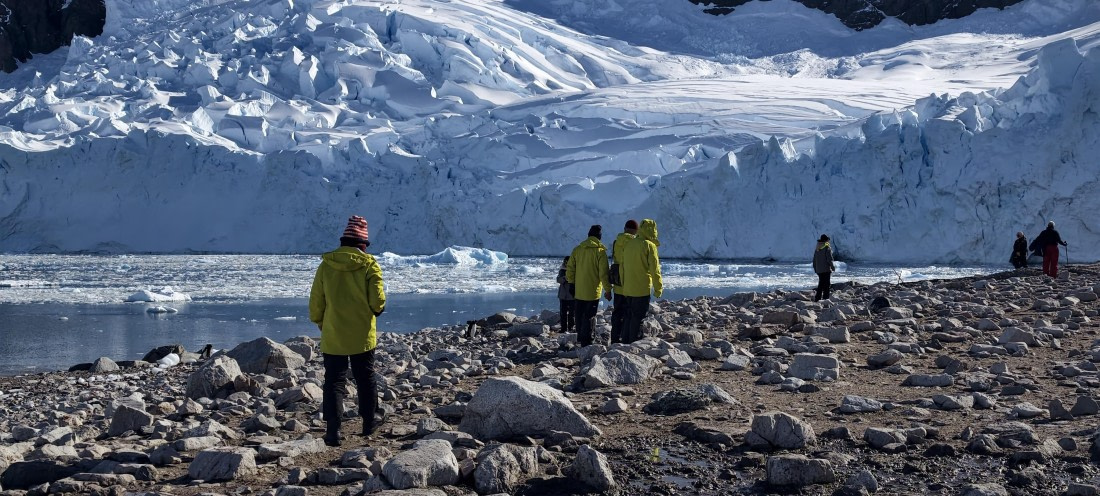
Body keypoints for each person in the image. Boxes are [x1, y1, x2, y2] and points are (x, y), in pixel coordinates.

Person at [309, 215, 387, 447]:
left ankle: (333, 431)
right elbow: (377, 301)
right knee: (365, 377)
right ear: (363, 245)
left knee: (334, 381)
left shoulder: (326, 266)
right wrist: (376, 310)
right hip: (362, 334)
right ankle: (369, 423)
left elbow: (316, 301)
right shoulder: (369, 264)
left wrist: (320, 321)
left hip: (333, 334)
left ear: (343, 241)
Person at [566, 225, 611, 347]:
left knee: (579, 315)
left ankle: (580, 338)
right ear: (599, 237)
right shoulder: (600, 252)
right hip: (592, 291)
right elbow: (603, 273)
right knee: (590, 315)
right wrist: (607, 289)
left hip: (578, 290)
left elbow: (570, 269)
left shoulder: (577, 250)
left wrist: (571, 283)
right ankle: (588, 340)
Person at [619, 219, 662, 343]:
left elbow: (622, 267)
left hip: (628, 288)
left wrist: (624, 284)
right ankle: (634, 343)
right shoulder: (649, 245)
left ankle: (625, 341)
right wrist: (658, 288)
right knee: (638, 318)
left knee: (628, 316)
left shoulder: (629, 244)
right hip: (641, 289)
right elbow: (655, 270)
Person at [609, 220, 638, 344]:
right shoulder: (636, 243)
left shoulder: (617, 242)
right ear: (636, 231)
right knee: (630, 313)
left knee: (617, 313)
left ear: (625, 228)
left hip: (618, 284)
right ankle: (627, 340)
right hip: (631, 284)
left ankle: (615, 338)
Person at [812, 234, 835, 302]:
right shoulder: (827, 247)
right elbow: (829, 259)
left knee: (821, 284)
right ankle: (826, 298)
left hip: (819, 270)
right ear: (826, 240)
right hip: (826, 269)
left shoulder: (817, 248)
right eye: (828, 240)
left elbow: (814, 260)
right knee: (826, 285)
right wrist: (832, 267)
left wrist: (815, 269)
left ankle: (817, 298)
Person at [555, 256, 575, 334]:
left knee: (572, 313)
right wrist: (564, 279)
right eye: (566, 262)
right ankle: (563, 328)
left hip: (572, 295)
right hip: (563, 295)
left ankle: (571, 327)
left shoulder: (575, 270)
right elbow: (558, 279)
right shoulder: (562, 270)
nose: (567, 263)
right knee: (563, 313)